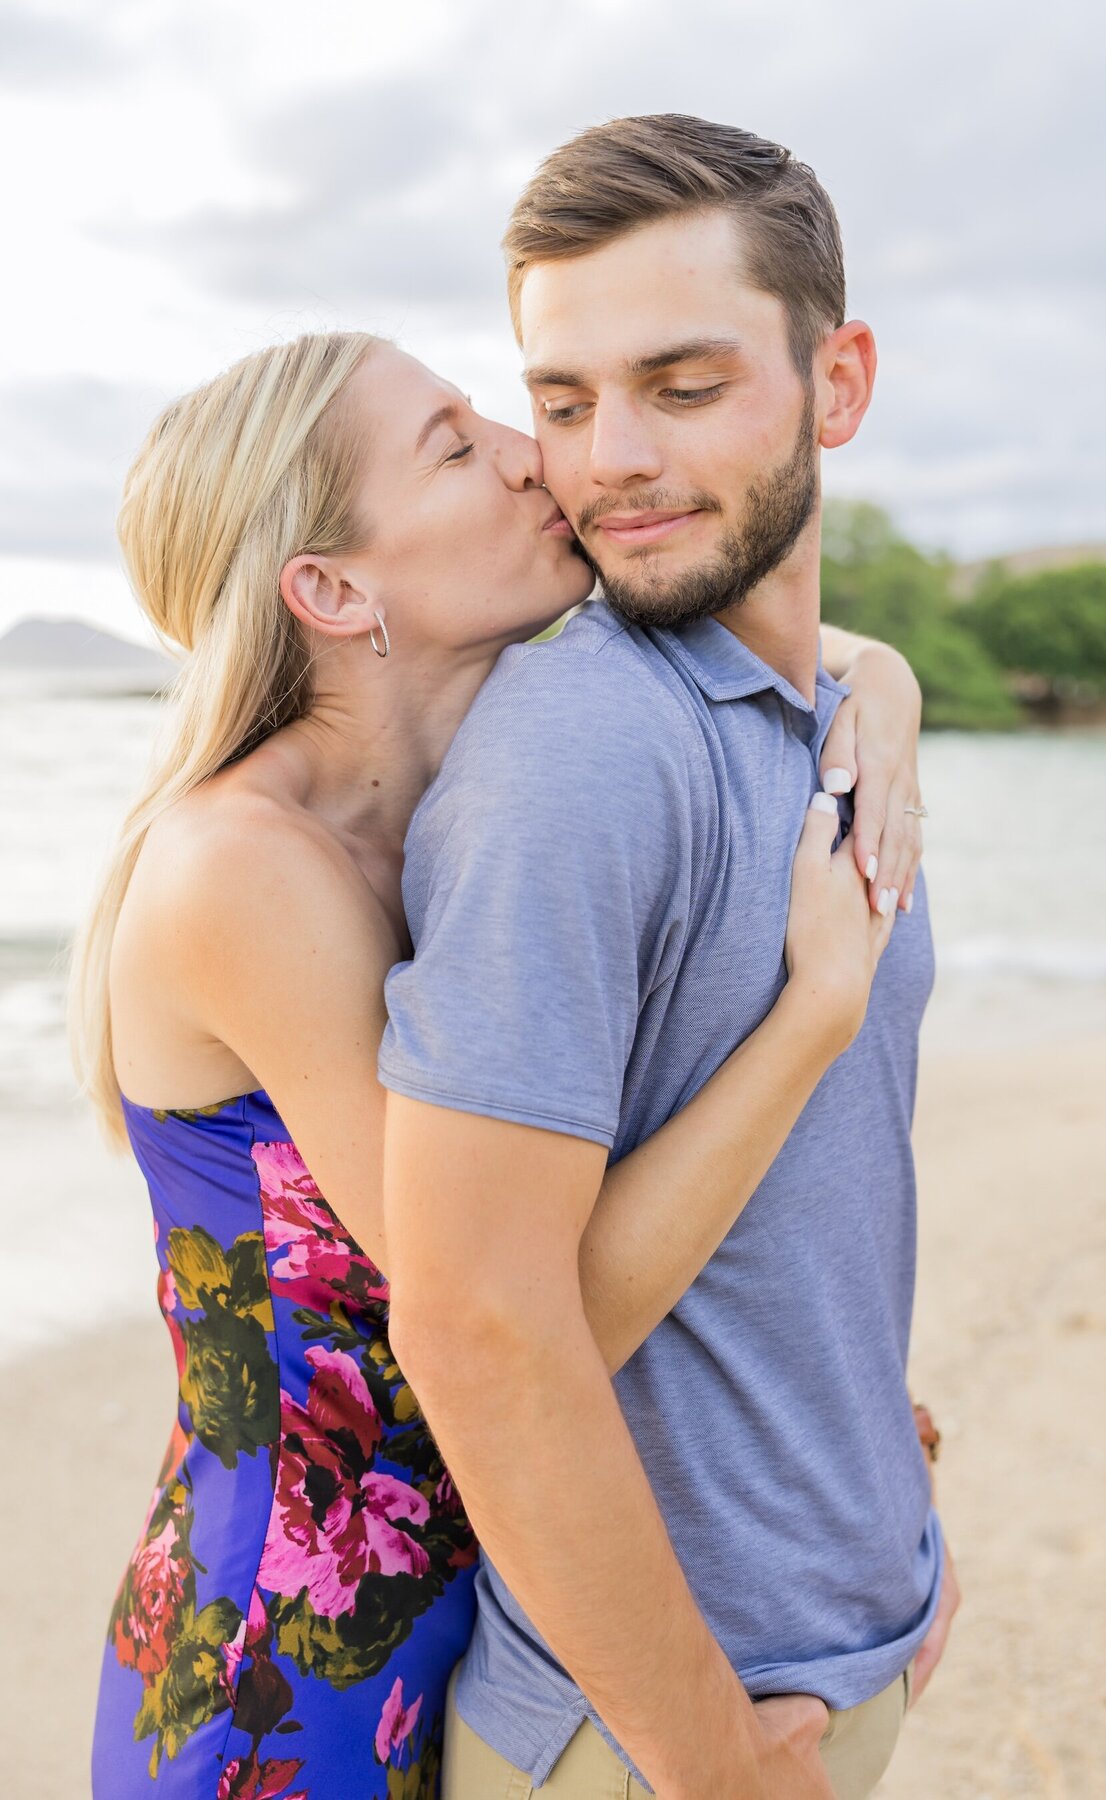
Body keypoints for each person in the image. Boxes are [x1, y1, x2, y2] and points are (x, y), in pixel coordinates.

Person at [74, 327, 925, 1798]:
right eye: (459, 447)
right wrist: (812, 1016)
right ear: (335, 592)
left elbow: (765, 633)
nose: (538, 457)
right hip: (288, 1673)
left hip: (499, 1606)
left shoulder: (467, 796)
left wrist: (884, 680)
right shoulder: (243, 869)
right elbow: (535, 1318)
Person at [379, 115, 959, 1800]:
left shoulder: (822, 712)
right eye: (561, 404)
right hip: (651, 1735)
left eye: (683, 388)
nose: (611, 460)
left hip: (835, 1652)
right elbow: (479, 1330)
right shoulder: (583, 751)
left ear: (839, 384)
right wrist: (712, 1760)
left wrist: (885, 1518)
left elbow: (815, 1202)